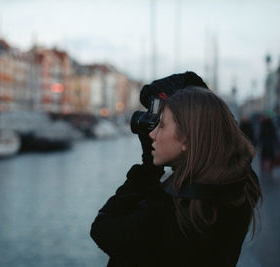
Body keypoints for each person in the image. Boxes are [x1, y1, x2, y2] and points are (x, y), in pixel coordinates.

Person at [90, 72, 262, 267]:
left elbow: (102, 230)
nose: (152, 133)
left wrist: (149, 168)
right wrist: (195, 101)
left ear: (187, 138)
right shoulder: (239, 187)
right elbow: (214, 124)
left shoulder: (168, 212)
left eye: (161, 125)